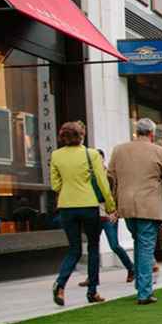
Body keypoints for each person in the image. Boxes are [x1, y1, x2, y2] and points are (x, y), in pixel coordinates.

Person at [109, 118, 162, 305]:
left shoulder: (119, 150)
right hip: (149, 206)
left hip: (126, 206)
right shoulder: (161, 152)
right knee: (145, 246)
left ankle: (141, 284)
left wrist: (112, 205)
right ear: (152, 134)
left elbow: (110, 179)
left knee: (139, 243)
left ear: (136, 132)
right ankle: (144, 291)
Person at [50, 122, 116, 306]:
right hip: (88, 205)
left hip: (66, 206)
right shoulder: (91, 154)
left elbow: (55, 185)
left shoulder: (56, 155)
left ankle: (60, 284)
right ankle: (92, 291)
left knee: (74, 249)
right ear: (81, 136)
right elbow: (103, 183)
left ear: (63, 137)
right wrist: (110, 206)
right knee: (93, 247)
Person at [78, 149, 134, 287]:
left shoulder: (109, 176)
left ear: (102, 159)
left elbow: (117, 193)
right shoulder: (87, 176)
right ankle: (92, 278)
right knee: (93, 246)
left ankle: (131, 268)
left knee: (114, 245)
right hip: (93, 214)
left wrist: (116, 212)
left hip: (108, 214)